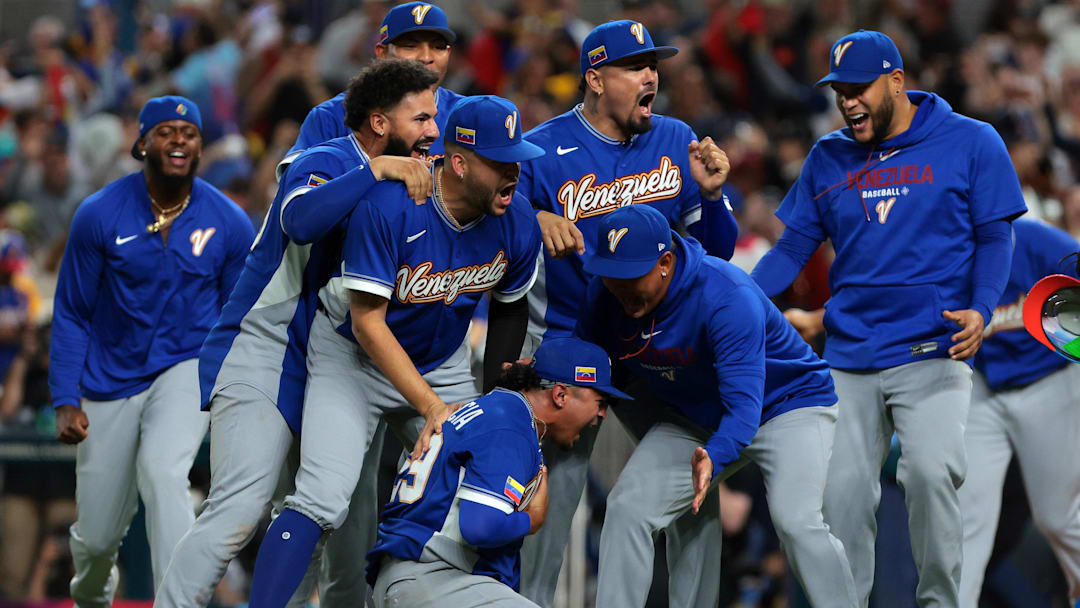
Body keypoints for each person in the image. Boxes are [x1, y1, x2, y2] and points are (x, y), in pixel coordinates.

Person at [750, 30, 1026, 606]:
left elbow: (995, 238)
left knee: (930, 474)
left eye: (858, 90)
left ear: (897, 82)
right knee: (842, 502)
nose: (847, 102)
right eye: (838, 92)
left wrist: (980, 307)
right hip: (850, 355)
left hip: (935, 347)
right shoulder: (828, 157)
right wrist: (737, 300)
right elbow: (791, 251)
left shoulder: (971, 141)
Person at [154, 59, 437, 607]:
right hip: (263, 346)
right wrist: (374, 172)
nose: (432, 129)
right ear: (379, 123)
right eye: (421, 117)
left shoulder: (412, 171)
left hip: (331, 360)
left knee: (310, 520)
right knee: (237, 510)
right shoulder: (328, 158)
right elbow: (299, 220)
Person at [244, 95, 544, 606]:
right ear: (459, 161)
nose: (513, 173)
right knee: (322, 499)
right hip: (353, 358)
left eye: (517, 160)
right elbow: (367, 324)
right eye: (500, 162)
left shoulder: (516, 219)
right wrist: (432, 408)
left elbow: (510, 310)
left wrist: (496, 405)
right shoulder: (392, 205)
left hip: (442, 360)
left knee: (493, 481)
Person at [502, 20, 738, 605]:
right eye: (635, 66)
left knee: (691, 482)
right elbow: (485, 223)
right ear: (595, 79)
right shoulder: (540, 151)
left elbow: (716, 252)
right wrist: (529, 220)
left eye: (653, 64)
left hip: (658, 349)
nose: (651, 75)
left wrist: (711, 197)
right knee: (544, 519)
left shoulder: (675, 137)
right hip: (572, 355)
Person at [574, 204, 856, 607]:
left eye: (631, 275)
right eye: (611, 274)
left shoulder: (725, 295)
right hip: (697, 414)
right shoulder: (607, 295)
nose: (620, 287)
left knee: (797, 522)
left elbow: (744, 408)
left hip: (786, 405)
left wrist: (716, 455)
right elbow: (594, 359)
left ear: (666, 262)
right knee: (629, 507)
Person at [49, 96, 255, 607]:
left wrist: (236, 391)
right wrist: (64, 398)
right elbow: (73, 311)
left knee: (164, 471)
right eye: (165, 131)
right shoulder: (98, 213)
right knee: (96, 539)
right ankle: (92, 596)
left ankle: (178, 602)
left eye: (189, 132)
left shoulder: (229, 222)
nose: (179, 139)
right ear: (142, 144)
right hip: (108, 375)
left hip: (187, 364)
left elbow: (239, 318)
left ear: (201, 146)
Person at [366, 337, 626, 608]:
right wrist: (532, 520)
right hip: (430, 578)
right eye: (600, 401)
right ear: (560, 395)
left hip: (423, 579)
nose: (602, 415)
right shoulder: (510, 427)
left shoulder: (501, 411)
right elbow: (479, 527)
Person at [960, 219, 1080, 607]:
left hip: (1049, 380)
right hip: (982, 386)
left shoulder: (1044, 244)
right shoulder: (943, 254)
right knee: (966, 521)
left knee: (1058, 518)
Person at [280, 1, 463, 175]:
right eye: (410, 46)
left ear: (448, 53)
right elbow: (299, 191)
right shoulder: (332, 116)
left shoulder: (467, 114)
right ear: (382, 54)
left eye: (437, 47)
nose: (426, 57)